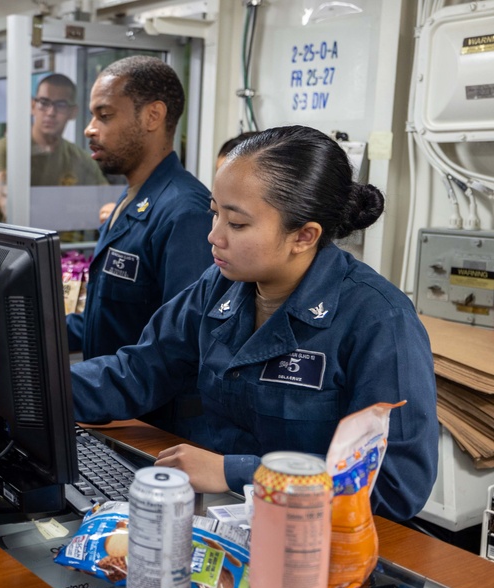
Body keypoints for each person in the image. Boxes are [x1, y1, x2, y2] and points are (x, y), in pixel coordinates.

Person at [70, 125, 438, 522]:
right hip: (225, 516)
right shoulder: (220, 285)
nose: (214, 236)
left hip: (317, 537)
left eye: (237, 224)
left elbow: (396, 482)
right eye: (215, 214)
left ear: (304, 235)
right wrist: (28, 390)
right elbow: (138, 371)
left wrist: (235, 471)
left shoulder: (378, 319)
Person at [66, 56, 213, 362]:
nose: (89, 130)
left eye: (104, 115)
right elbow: (106, 320)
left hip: (143, 410)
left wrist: (77, 387)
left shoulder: (185, 213)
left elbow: (181, 347)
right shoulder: (131, 198)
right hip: (108, 401)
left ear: (152, 116)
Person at [0, 72, 109, 222]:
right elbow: (6, 199)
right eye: (44, 103)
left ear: (73, 112)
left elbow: (107, 201)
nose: (51, 112)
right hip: (13, 242)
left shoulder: (80, 159)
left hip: (65, 244)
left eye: (61, 105)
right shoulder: (5, 150)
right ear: (32, 106)